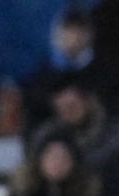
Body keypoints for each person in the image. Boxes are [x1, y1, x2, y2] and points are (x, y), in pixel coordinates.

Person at [22, 6, 107, 135]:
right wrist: (55, 102)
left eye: (78, 31)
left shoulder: (100, 70)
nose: (74, 37)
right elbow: (33, 102)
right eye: (69, 31)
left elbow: (108, 102)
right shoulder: (45, 72)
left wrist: (84, 103)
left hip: (94, 137)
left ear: (88, 35)